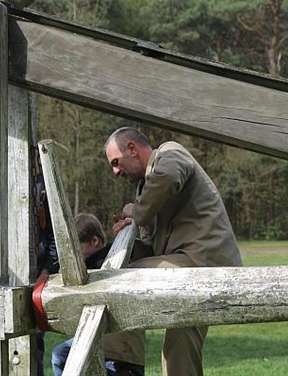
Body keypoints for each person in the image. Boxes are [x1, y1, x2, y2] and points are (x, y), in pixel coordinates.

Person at [104, 127, 243, 376]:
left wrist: (136, 212)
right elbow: (151, 248)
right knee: (179, 347)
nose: (114, 172)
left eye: (116, 162)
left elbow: (169, 176)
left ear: (132, 149)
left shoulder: (170, 152)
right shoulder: (146, 189)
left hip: (204, 264)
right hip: (188, 265)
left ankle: (122, 367)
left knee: (120, 281)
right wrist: (129, 236)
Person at [0, 175, 59, 376]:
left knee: (32, 349)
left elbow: (54, 236)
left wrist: (47, 270)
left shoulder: (43, 186)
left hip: (33, 280)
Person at [51, 213, 145, 376]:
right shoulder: (87, 265)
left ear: (94, 241)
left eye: (76, 248)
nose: (72, 255)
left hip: (121, 355)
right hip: (104, 344)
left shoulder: (112, 258)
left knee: (62, 355)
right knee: (60, 355)